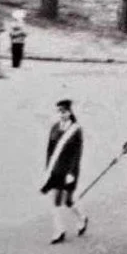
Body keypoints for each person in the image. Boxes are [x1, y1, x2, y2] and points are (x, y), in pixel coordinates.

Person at [40, 100, 89, 244]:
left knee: (68, 201)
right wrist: (47, 169)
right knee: (55, 199)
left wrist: (71, 173)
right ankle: (59, 230)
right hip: (55, 169)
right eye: (60, 112)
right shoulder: (55, 127)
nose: (62, 114)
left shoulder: (76, 130)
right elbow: (50, 150)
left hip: (69, 170)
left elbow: (77, 154)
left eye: (64, 111)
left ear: (70, 112)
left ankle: (82, 218)